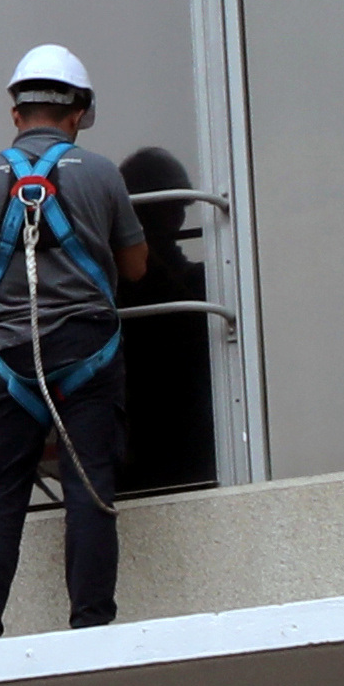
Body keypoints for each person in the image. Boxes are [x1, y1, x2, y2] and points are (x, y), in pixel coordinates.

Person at [0, 44, 147, 640]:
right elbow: (135, 267)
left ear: (16, 113)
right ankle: (91, 624)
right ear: (79, 113)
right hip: (88, 351)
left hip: (10, 356)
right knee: (88, 486)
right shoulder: (102, 173)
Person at [116, 144, 220, 492]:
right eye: (166, 207)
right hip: (136, 423)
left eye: (177, 208)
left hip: (189, 422)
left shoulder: (198, 281)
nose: (173, 216)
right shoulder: (105, 279)